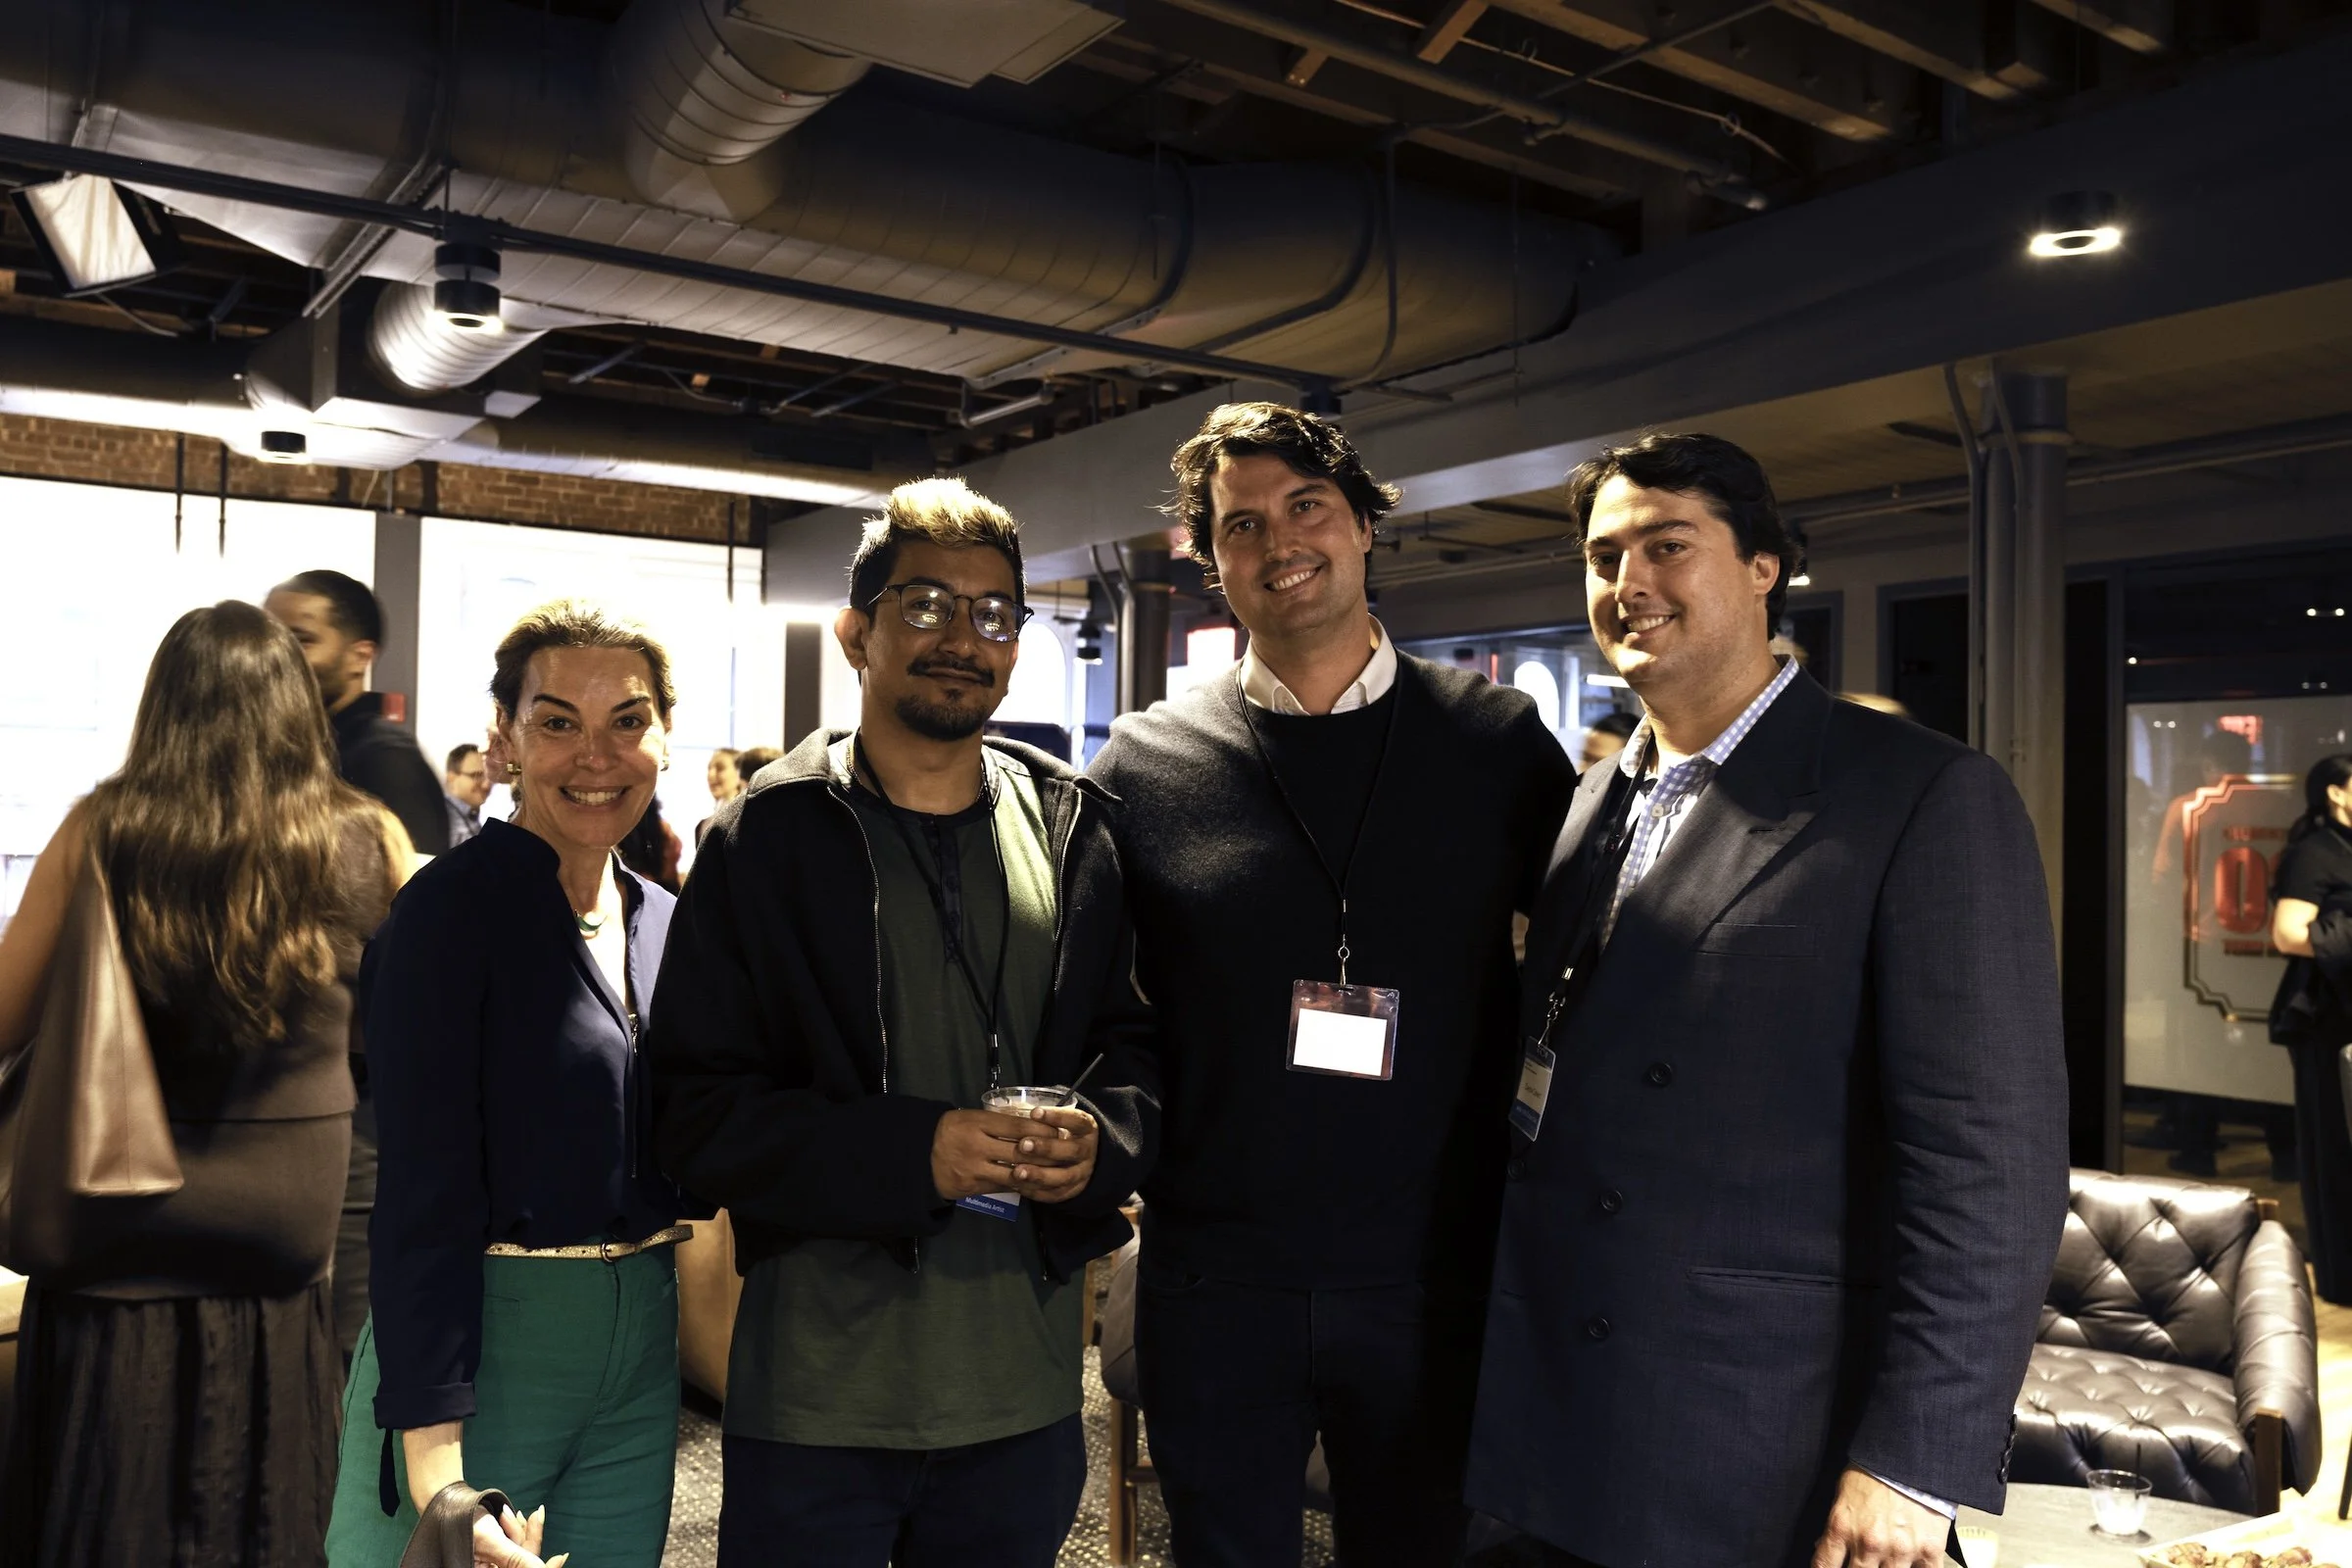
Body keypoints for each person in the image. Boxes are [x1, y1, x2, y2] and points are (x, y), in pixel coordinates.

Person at [1468, 432, 2069, 1568]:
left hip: (1757, 1438)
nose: (1628, 582)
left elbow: (1992, 1163)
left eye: (1668, 546)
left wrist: (1914, 1462)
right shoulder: (1592, 799)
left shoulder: (1919, 794)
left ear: (1763, 567)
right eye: (1603, 557)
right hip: (1551, 1411)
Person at [1086, 403, 1574, 1568]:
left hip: (1430, 1273)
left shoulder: (1497, 741)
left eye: (1307, 505)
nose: (1279, 541)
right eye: (1241, 524)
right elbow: (1103, 1007)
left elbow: (1581, 972)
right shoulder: (1143, 764)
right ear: (1213, 562)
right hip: (1215, 1276)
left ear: (1363, 525)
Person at [647, 477, 1155, 1568]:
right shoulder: (763, 840)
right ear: (856, 634)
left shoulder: (1075, 830)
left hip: (1022, 1401)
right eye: (924, 605)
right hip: (818, 1404)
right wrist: (912, 1151)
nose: (961, 638)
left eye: (994, 614)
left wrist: (1103, 1141)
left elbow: (1138, 1053)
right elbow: (692, 1114)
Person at [0, 601, 407, 1568]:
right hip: (285, 1215)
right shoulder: (368, 835)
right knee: (276, 1475)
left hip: (116, 1202)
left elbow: (7, 1018)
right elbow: (400, 1033)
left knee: (106, 1483)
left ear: (164, 707)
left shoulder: (104, 829)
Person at [325, 601, 700, 1568]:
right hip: (485, 1343)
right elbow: (422, 1189)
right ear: (506, 737)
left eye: (627, 720)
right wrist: (435, 1466)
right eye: (557, 721)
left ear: (665, 735)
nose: (596, 755)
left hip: (641, 1348)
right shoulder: (449, 913)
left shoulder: (665, 921)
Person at [268, 568, 450, 1359]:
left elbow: (414, 937)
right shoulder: (308, 752)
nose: (283, 651)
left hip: (361, 1100)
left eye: (303, 636)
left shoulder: (381, 760)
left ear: (359, 653)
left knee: (348, 1341)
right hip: (313, 1089)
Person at [267, 570, 451, 858]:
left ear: (360, 656)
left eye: (302, 640)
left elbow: (416, 879)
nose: (275, 655)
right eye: (268, 639)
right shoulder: (292, 745)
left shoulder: (387, 759)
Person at [2270, 753, 2352, 1303]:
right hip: (2329, 1019)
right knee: (2336, 1146)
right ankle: (2343, 1277)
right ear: (2336, 793)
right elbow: (2287, 933)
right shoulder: (2314, 851)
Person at [445, 742, 491, 849]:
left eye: (489, 776)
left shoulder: (471, 816)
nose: (486, 785)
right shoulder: (444, 822)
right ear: (451, 778)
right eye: (476, 775)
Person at [698, 748, 743, 848]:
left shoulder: (748, 820)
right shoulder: (703, 826)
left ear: (739, 773)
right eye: (709, 768)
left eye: (720, 768)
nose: (711, 775)